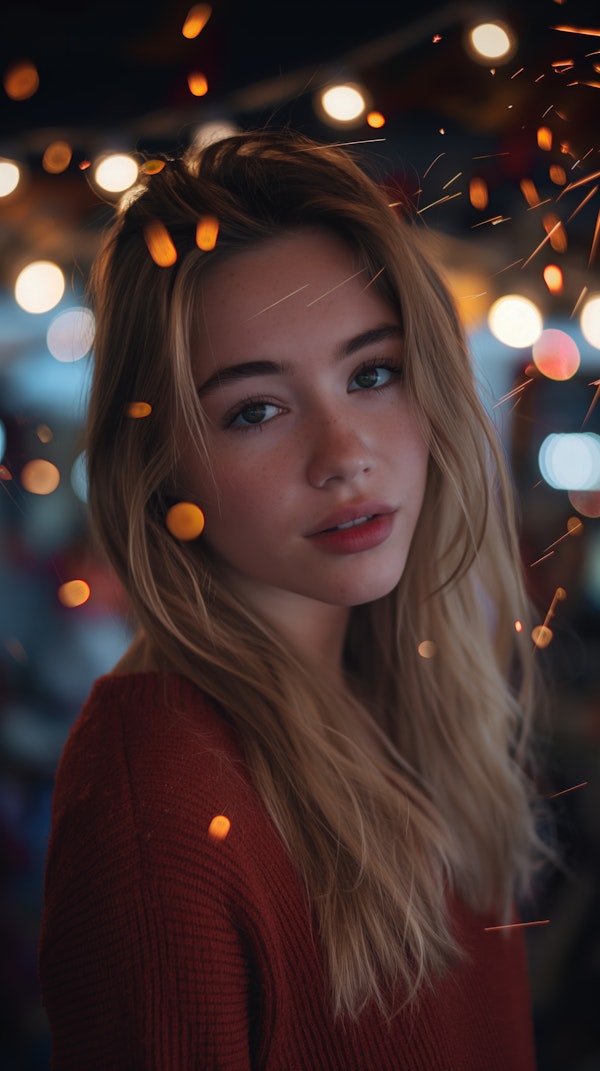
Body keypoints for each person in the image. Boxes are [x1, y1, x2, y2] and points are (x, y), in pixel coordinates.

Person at [39, 128, 550, 1069]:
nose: (343, 452)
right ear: (159, 469)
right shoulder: (159, 798)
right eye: (254, 410)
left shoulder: (411, 692)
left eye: (373, 372)